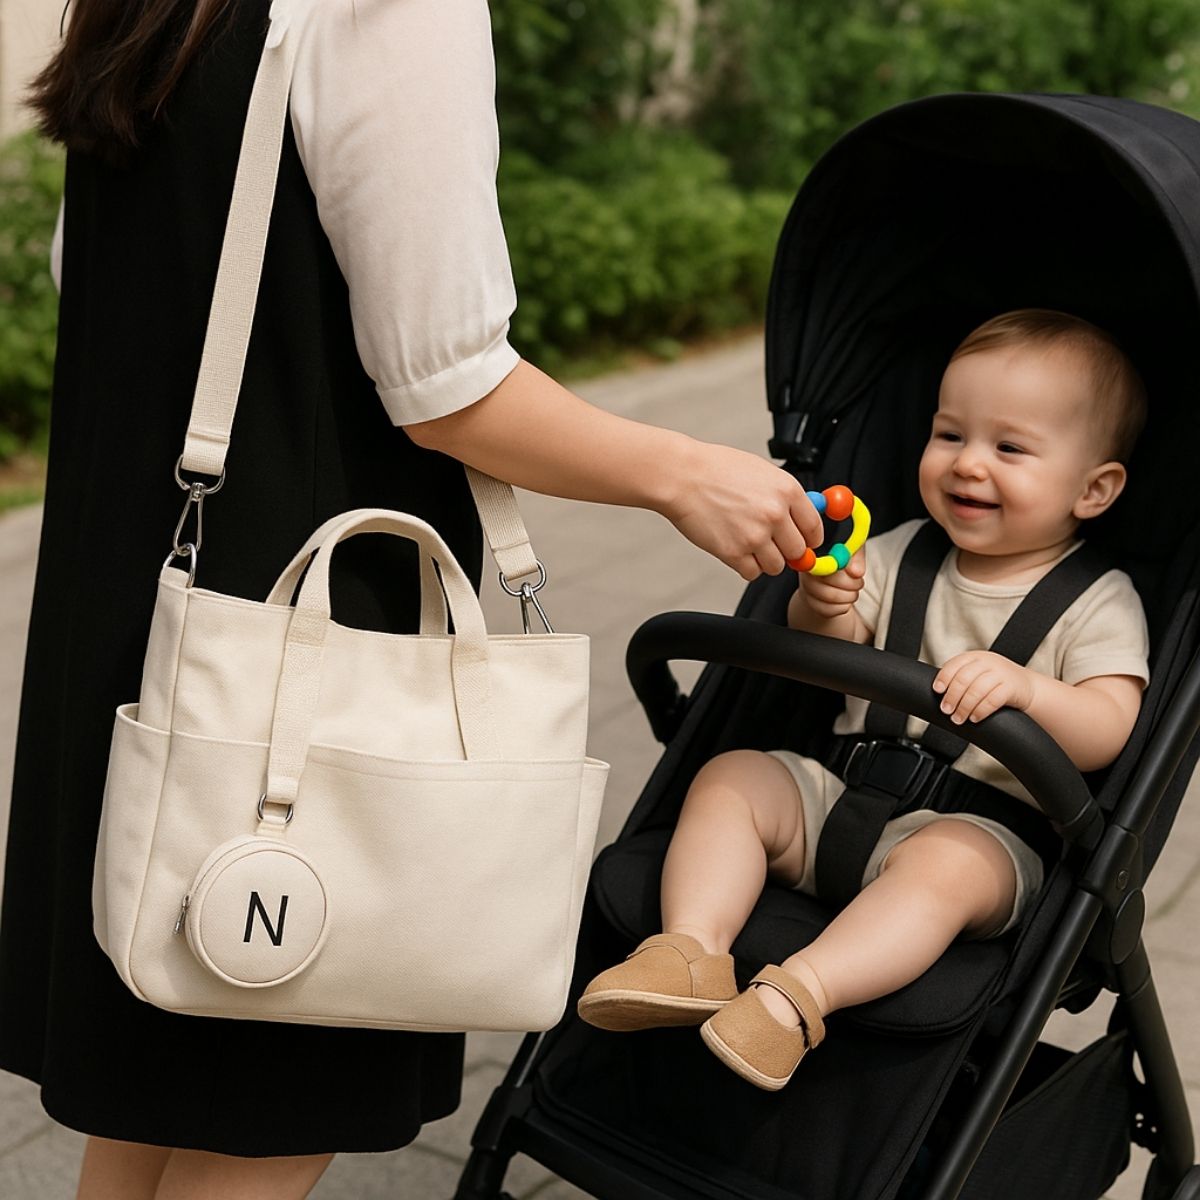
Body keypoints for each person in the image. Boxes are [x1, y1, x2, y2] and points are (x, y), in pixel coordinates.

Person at [0, 1, 824, 1197]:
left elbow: (93, 277)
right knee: (274, 1087)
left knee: (165, 1061)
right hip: (306, 616)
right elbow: (446, 385)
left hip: (140, 583)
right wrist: (688, 475)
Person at [577, 308, 1150, 1092]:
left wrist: (1029, 691)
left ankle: (795, 1000)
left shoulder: (1099, 602)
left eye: (1009, 448)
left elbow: (1110, 726)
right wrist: (825, 604)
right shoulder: (898, 550)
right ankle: (690, 950)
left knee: (947, 867)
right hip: (842, 795)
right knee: (733, 776)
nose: (967, 464)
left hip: (979, 829)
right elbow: (828, 659)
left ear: (1094, 489)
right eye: (950, 434)